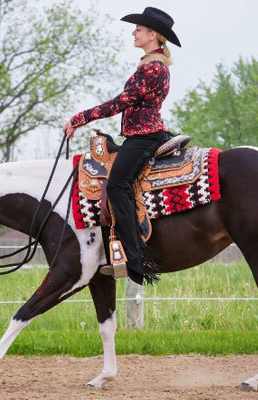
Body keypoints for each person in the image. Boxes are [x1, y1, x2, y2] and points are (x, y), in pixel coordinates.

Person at [63, 7, 181, 285]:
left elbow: (121, 102)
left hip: (144, 137)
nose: (134, 32)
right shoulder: (152, 64)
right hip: (141, 135)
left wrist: (80, 118)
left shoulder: (152, 68)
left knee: (116, 186)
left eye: (139, 29)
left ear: (153, 35)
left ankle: (133, 259)